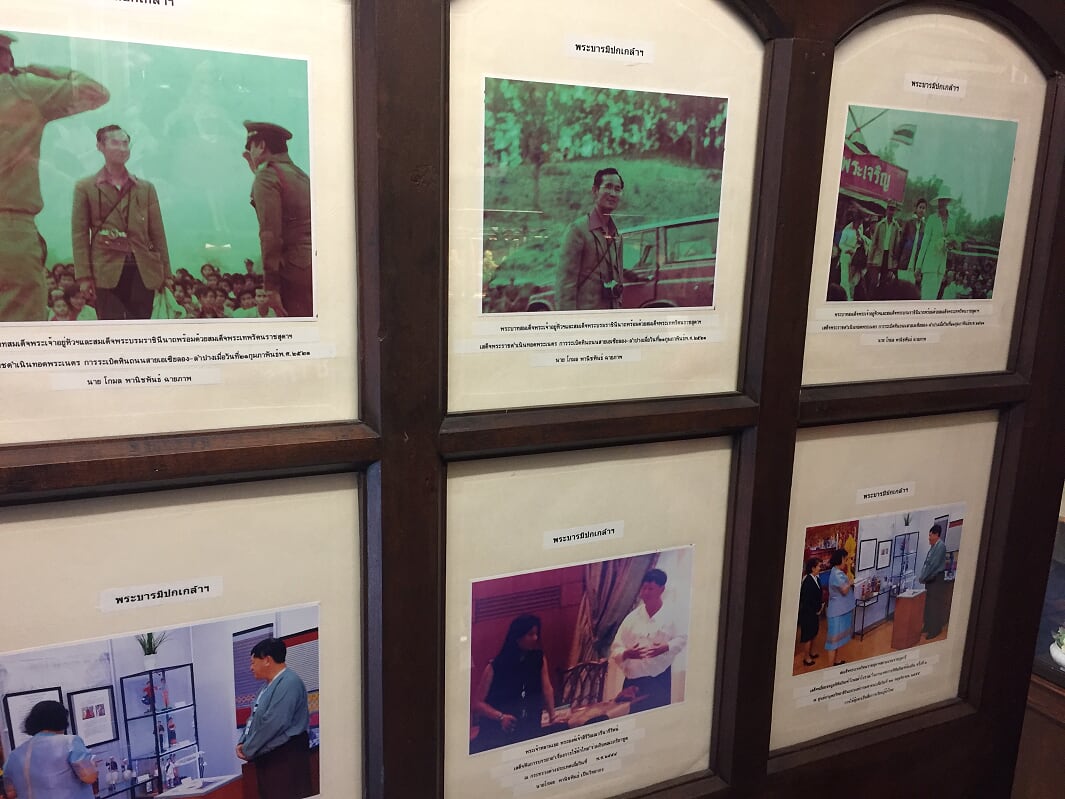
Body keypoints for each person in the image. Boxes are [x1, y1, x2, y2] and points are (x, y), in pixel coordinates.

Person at [0, 32, 109, 322]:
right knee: (19, 330)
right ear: (6, 58)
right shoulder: (23, 89)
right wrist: (42, 71)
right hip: (10, 230)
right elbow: (95, 92)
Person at [72, 125, 171, 320]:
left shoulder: (145, 188)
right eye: (115, 143)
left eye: (125, 143)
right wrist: (84, 276)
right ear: (100, 146)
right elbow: (79, 235)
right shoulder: (85, 187)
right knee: (111, 327)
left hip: (142, 270)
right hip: (105, 271)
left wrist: (166, 274)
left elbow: (158, 233)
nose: (122, 148)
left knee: (141, 327)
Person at [242, 121, 313, 317]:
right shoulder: (300, 175)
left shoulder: (267, 176)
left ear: (261, 145)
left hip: (291, 269)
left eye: (251, 147)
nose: (250, 153)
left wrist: (271, 287)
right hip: (311, 264)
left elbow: (269, 235)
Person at [236, 637, 313, 799]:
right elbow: (254, 718)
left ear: (267, 660)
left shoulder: (289, 683)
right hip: (268, 759)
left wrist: (248, 748)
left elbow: (273, 723)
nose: (251, 668)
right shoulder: (265, 688)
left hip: (285, 759)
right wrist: (242, 742)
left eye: (253, 662)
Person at [472, 615, 555, 752]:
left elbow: (547, 688)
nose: (535, 638)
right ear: (517, 637)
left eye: (536, 634)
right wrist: (500, 717)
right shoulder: (496, 665)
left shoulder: (538, 658)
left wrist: (552, 715)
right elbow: (477, 704)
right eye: (530, 634)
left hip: (530, 722)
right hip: (499, 729)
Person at [609, 568, 688, 711]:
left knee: (658, 718)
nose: (645, 593)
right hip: (633, 684)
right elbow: (616, 648)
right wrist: (627, 653)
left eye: (650, 589)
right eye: (643, 588)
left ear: (661, 590)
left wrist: (665, 647)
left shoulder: (672, 614)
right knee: (632, 719)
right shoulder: (631, 618)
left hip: (659, 680)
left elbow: (682, 638)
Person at [556, 167, 626, 311]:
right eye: (608, 187)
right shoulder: (577, 230)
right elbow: (565, 287)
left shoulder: (616, 235)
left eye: (617, 189)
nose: (613, 193)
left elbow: (619, 279)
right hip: (586, 318)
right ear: (595, 191)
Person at [2, 700, 97, 799]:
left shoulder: (14, 755)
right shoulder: (70, 742)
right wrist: (93, 764)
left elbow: (11, 793)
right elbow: (89, 777)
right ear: (61, 720)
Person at [914, 193, 956, 301]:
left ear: (948, 201)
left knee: (933, 299)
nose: (941, 203)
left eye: (944, 200)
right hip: (929, 264)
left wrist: (950, 244)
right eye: (940, 200)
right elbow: (924, 243)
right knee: (926, 298)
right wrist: (918, 266)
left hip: (941, 266)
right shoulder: (932, 219)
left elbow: (951, 242)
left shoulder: (952, 220)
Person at [825, 548, 855, 666]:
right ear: (840, 559)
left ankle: (836, 661)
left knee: (837, 640)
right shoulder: (837, 574)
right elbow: (844, 590)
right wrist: (851, 582)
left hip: (840, 610)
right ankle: (829, 667)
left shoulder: (837, 571)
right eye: (845, 559)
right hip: (836, 612)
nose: (846, 562)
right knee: (833, 641)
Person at [918, 524, 948, 638]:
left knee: (934, 605)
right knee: (928, 604)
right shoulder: (933, 546)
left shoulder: (940, 546)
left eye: (931, 535)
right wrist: (923, 576)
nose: (929, 538)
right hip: (930, 579)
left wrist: (923, 577)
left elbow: (933, 565)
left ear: (936, 535)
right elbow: (927, 563)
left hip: (936, 579)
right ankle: (928, 626)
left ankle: (935, 629)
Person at [837, 212, 870, 301]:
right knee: (845, 279)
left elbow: (862, 240)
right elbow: (841, 244)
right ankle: (845, 298)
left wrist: (861, 240)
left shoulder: (859, 229)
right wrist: (848, 249)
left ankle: (850, 297)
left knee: (853, 280)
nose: (859, 224)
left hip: (855, 258)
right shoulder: (847, 230)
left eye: (860, 222)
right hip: (846, 256)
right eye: (858, 222)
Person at [868, 201, 902, 290]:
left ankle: (879, 297)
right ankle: (870, 297)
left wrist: (894, 262)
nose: (891, 212)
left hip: (888, 257)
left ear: (895, 211)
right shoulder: (880, 224)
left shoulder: (896, 226)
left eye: (893, 210)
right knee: (873, 281)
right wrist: (870, 259)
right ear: (887, 210)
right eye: (890, 209)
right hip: (878, 255)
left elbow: (897, 246)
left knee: (884, 282)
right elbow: (874, 243)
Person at [798, 557, 825, 667]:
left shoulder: (816, 578)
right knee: (808, 635)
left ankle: (811, 652)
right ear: (813, 568)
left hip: (815, 612)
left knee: (814, 632)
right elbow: (806, 600)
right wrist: (816, 610)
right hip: (808, 613)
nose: (820, 568)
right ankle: (806, 658)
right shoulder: (807, 581)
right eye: (819, 566)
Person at [898, 197, 928, 283]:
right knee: (901, 285)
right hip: (905, 260)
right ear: (916, 208)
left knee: (910, 288)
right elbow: (901, 242)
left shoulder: (925, 227)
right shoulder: (909, 222)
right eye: (920, 207)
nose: (921, 210)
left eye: (924, 208)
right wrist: (897, 260)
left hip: (915, 265)